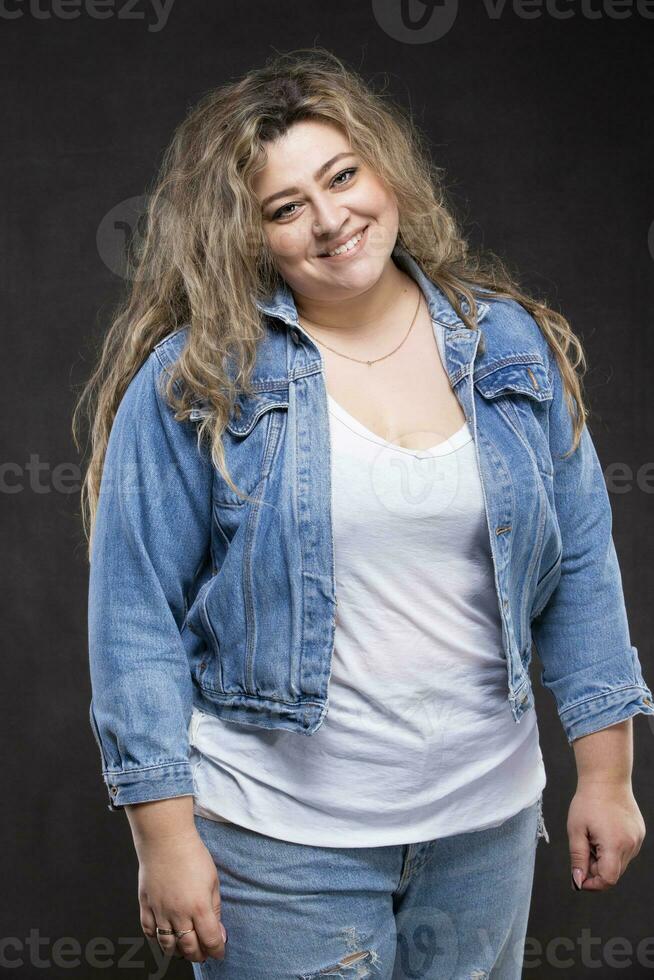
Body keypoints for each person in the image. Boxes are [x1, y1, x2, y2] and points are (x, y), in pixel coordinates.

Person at [74, 48, 654, 979]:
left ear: (386, 170)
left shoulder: (506, 344)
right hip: (278, 842)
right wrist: (164, 835)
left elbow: (580, 560)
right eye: (284, 206)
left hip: (485, 827)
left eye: (343, 176)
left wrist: (607, 773)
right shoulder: (200, 378)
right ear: (249, 234)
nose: (331, 218)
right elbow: (133, 614)